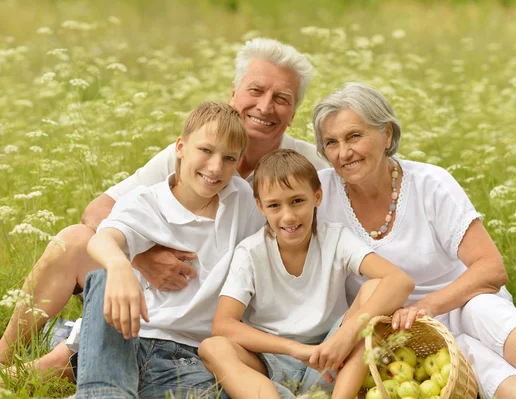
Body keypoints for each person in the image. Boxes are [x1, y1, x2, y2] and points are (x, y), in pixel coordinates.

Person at [0, 37, 328, 378]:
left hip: (224, 313)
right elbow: (98, 211)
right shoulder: (193, 151)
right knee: (73, 240)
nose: (265, 106)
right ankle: (6, 355)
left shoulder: (307, 167)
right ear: (234, 93)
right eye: (255, 90)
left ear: (293, 114)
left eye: (282, 99)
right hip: (157, 295)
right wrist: (143, 256)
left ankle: (66, 358)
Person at [311, 82, 516, 399]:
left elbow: (491, 269)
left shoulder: (430, 183)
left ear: (387, 135)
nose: (343, 152)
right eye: (331, 142)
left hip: (462, 302)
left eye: (354, 136)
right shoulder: (318, 195)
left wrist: (427, 306)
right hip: (405, 336)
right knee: (474, 358)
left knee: (483, 311)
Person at [76, 101, 264, 398]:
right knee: (102, 276)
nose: (216, 167)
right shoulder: (147, 201)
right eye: (206, 150)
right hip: (132, 340)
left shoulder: (243, 201)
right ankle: (106, 392)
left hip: (191, 358)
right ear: (180, 147)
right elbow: (101, 239)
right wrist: (121, 265)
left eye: (229, 158)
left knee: (259, 391)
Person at [197, 149, 415, 399]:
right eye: (274, 205)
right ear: (260, 206)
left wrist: (346, 335)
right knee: (213, 347)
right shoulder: (250, 252)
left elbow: (400, 281)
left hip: (332, 360)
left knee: (375, 291)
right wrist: (294, 349)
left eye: (297, 201)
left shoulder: (336, 238)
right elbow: (223, 325)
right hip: (270, 364)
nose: (288, 216)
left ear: (317, 196)